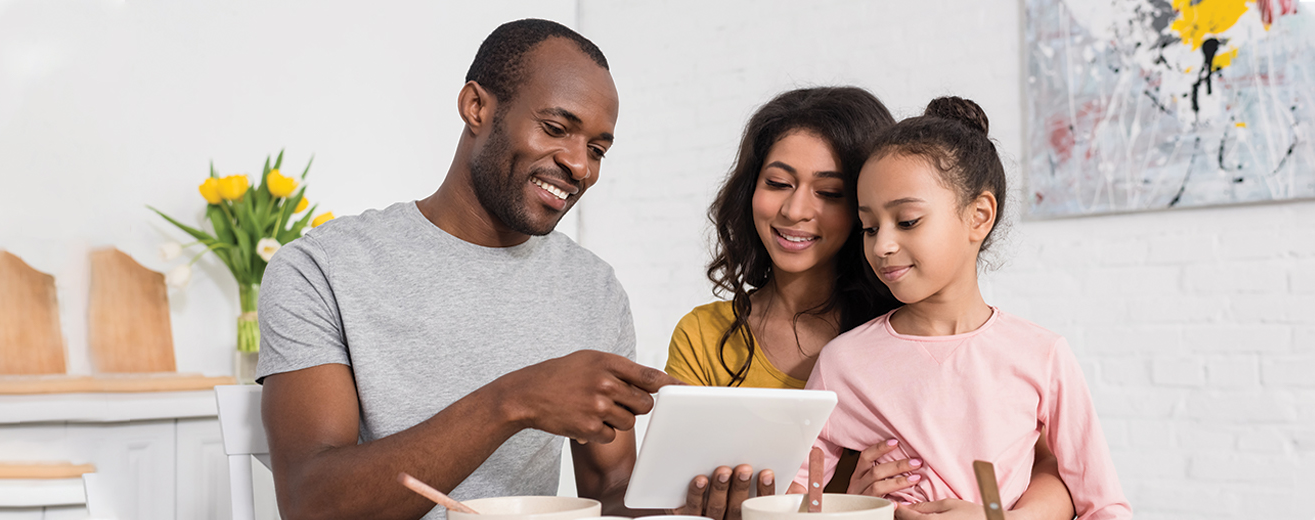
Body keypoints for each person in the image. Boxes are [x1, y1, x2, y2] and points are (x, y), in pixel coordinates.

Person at [257, 19, 690, 520]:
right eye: (555, 128)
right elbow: (312, 504)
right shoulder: (322, 269)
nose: (580, 166)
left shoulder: (593, 289)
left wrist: (684, 499)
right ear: (476, 107)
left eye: (597, 149)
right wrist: (514, 400)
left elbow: (612, 486)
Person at [666, 87, 1076, 520]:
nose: (795, 209)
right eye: (778, 183)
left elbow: (1049, 468)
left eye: (829, 193)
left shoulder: (921, 332)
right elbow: (677, 492)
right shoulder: (707, 337)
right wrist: (848, 502)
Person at [786, 97, 1131, 519]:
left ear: (979, 216)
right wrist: (866, 511)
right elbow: (799, 498)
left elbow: (1105, 505)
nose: (882, 245)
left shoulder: (1041, 355)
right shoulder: (844, 361)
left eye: (907, 220)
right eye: (869, 227)